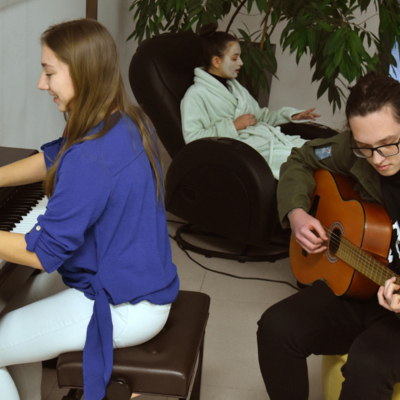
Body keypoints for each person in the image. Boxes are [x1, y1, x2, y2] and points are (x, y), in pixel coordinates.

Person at [0, 19, 179, 400]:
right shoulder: (125, 117)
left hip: (127, 303)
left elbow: (43, 252)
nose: (40, 83)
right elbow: (54, 157)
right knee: (9, 313)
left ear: (82, 72)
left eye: (49, 72)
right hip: (134, 273)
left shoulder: (91, 157)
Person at [257, 71, 400, 400]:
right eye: (365, 147)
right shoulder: (350, 150)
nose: (377, 159)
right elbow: (302, 159)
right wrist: (296, 213)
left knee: (368, 364)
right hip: (361, 284)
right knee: (276, 328)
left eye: (388, 145)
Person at [180, 22, 321, 180]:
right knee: (302, 163)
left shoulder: (235, 88)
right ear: (216, 62)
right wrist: (233, 126)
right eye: (235, 58)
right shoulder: (195, 96)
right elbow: (193, 141)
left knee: (320, 151)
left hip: (267, 140)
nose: (241, 62)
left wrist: (293, 116)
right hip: (244, 154)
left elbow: (261, 117)